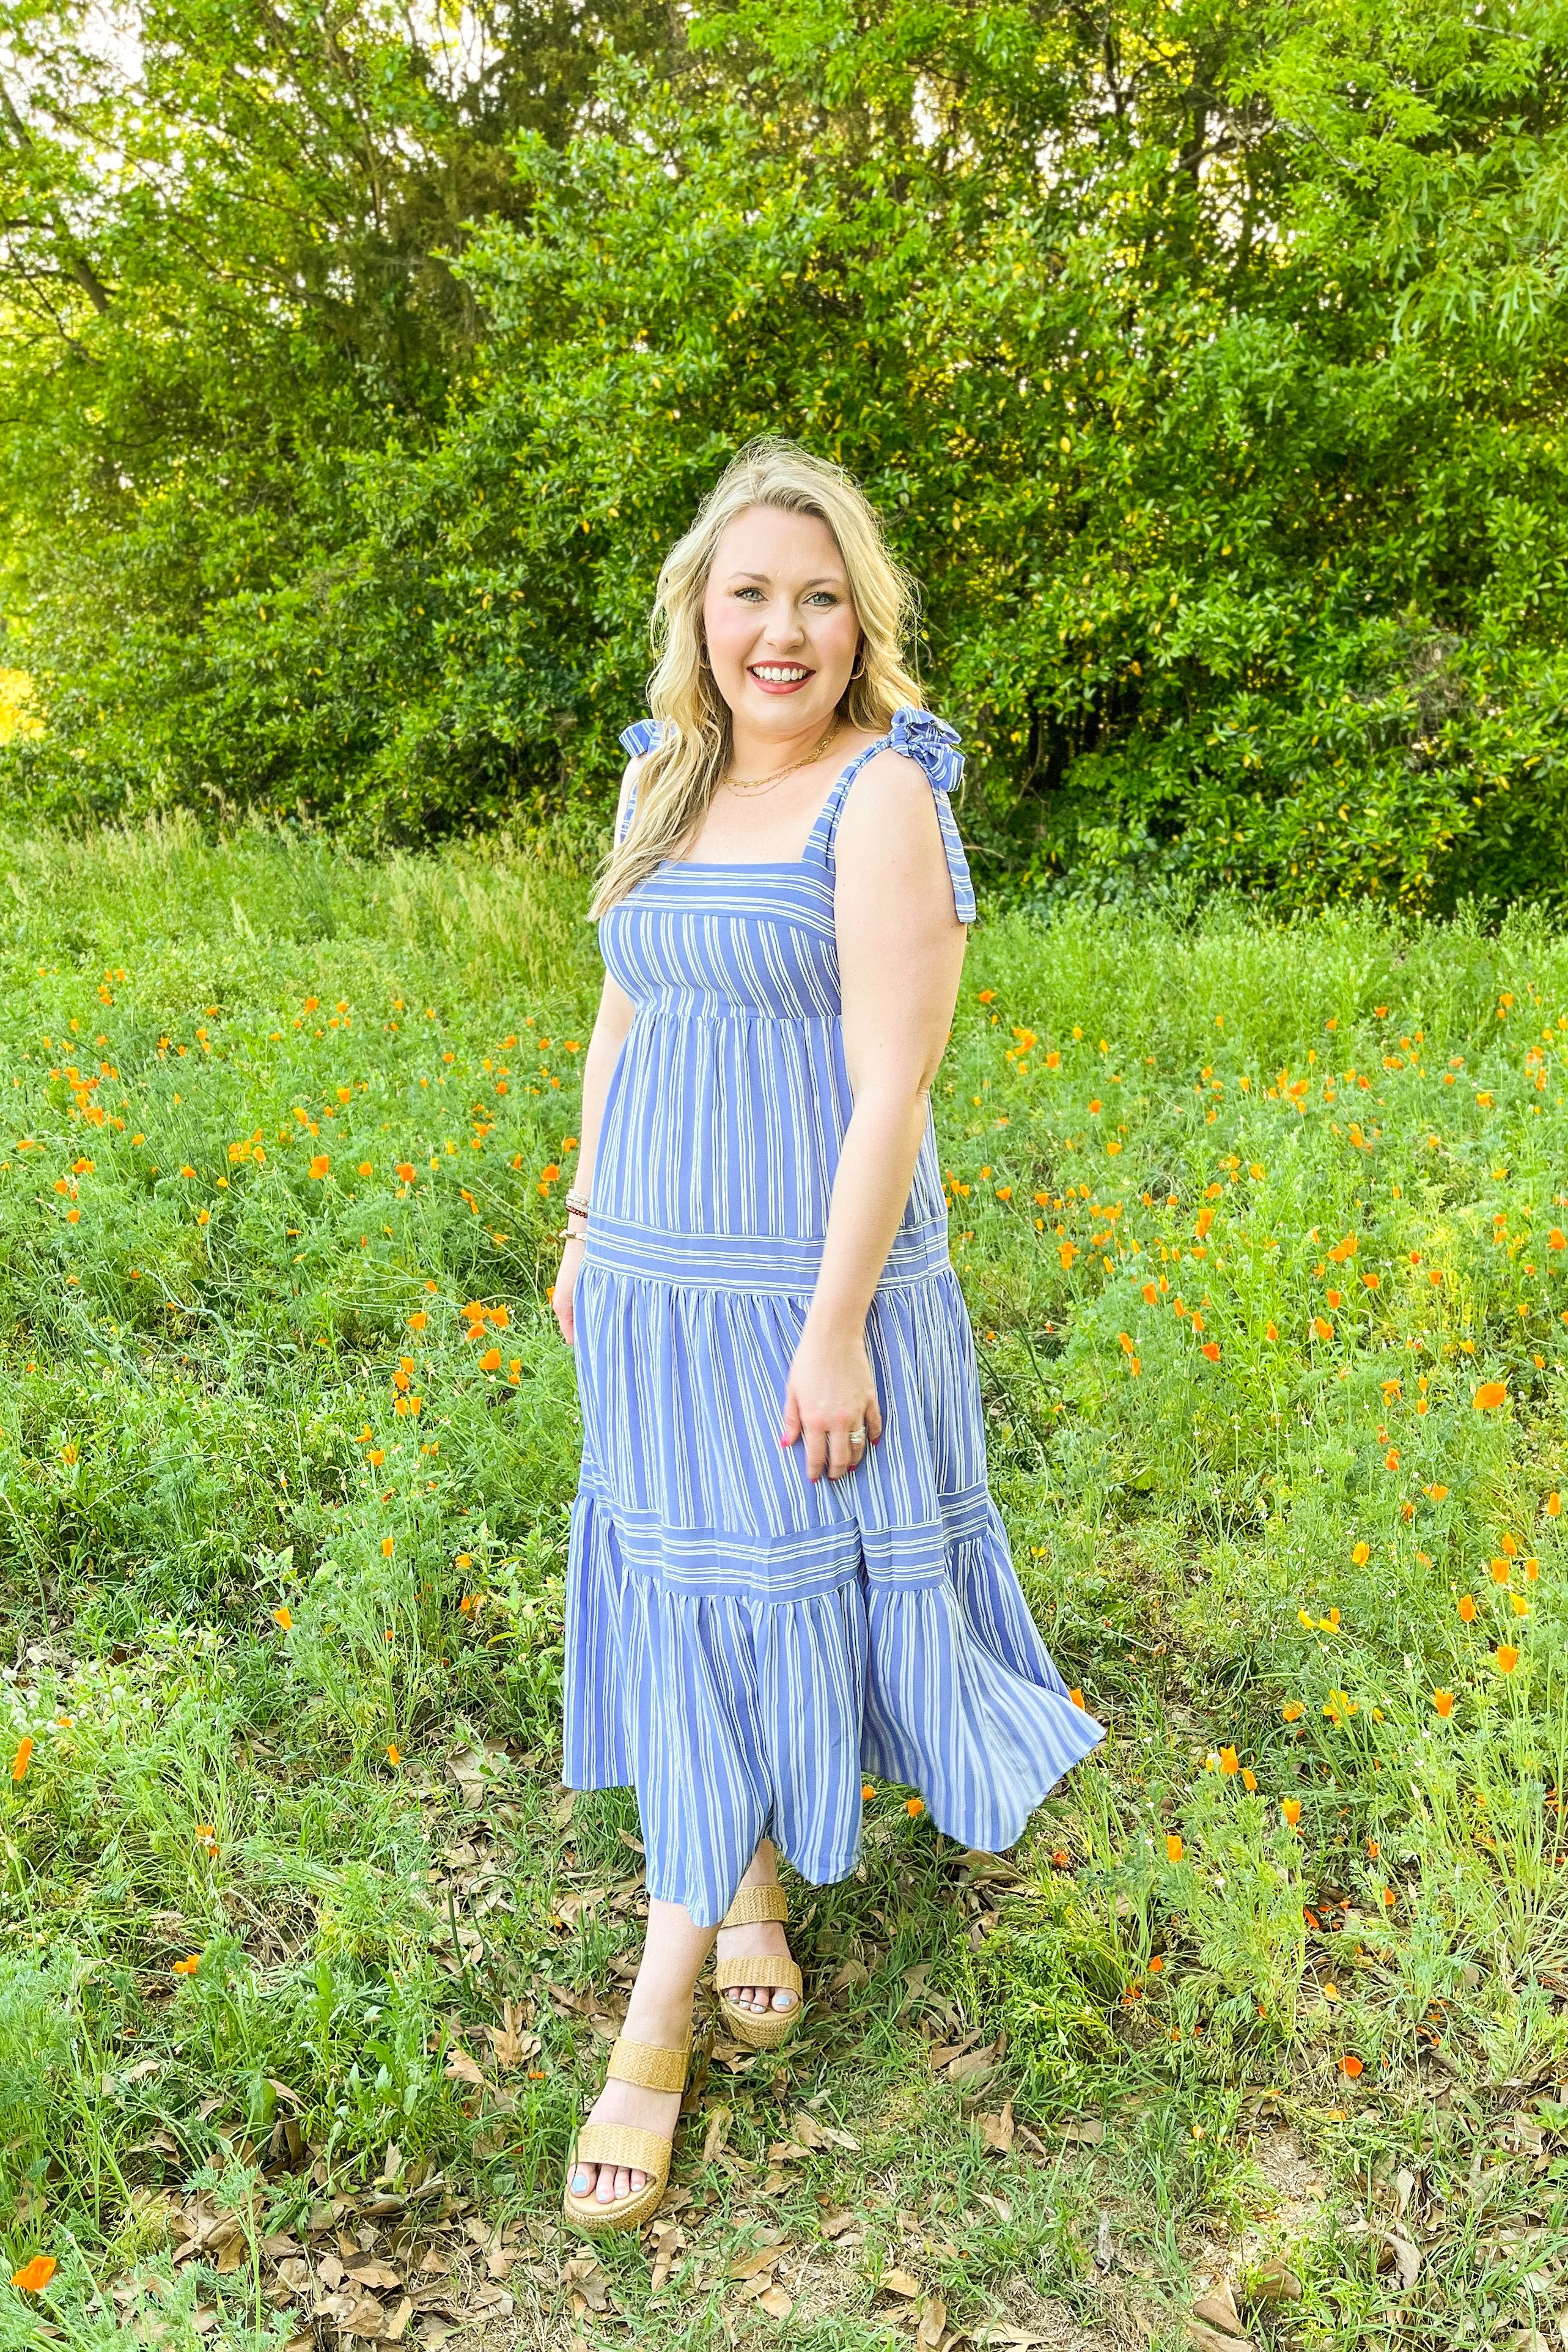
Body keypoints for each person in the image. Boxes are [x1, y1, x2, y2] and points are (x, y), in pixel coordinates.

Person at [550, 437, 1105, 2233]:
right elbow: (622, 1016)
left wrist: (837, 1327)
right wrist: (577, 1223)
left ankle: (652, 2020)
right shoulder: (664, 776)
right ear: (697, 614)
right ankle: (751, 1877)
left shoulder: (883, 795)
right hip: (645, 1282)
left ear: (857, 621)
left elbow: (892, 1089)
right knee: (685, 1582)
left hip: (800, 1288)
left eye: (814, 596)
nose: (776, 629)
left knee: (764, 1574)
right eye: (745, 593)